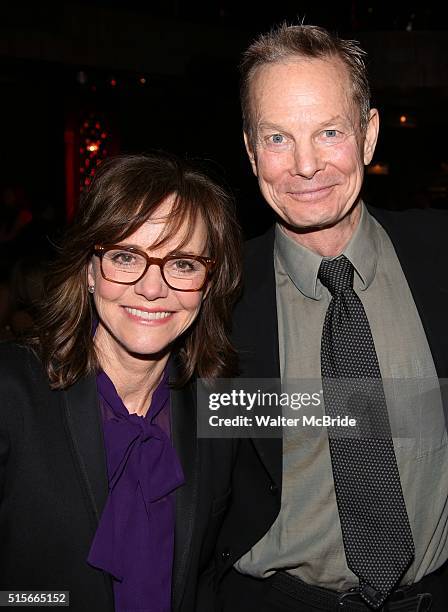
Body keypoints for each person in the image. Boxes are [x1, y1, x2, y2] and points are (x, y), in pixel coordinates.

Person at [214, 23, 448, 612]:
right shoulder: (213, 297)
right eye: (277, 138)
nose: (306, 165)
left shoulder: (441, 255)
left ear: (368, 135)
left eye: (328, 132)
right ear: (249, 149)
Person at [0, 152, 242, 612]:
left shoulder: (215, 413)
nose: (152, 288)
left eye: (184, 263)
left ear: (208, 284)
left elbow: (205, 577)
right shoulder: (12, 393)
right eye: (127, 257)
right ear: (90, 270)